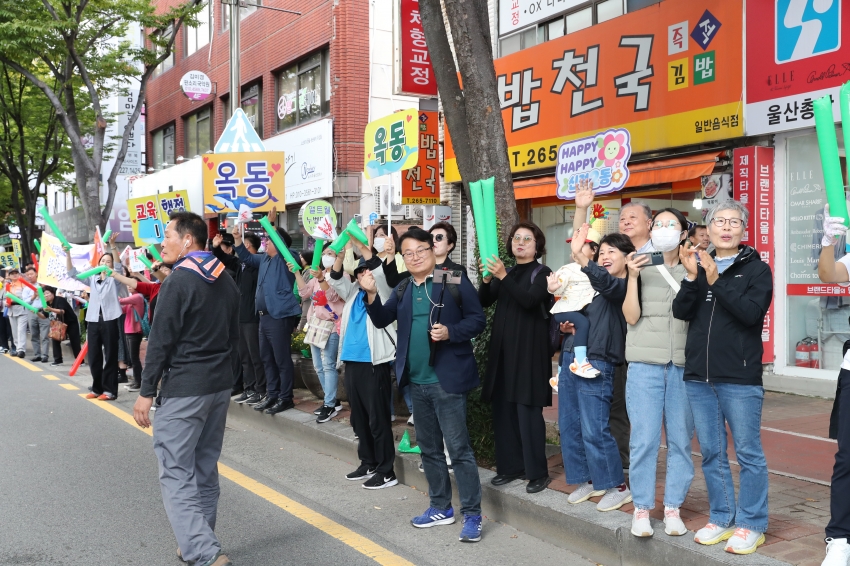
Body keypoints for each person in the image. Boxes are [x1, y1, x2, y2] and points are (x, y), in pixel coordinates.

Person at [364, 228, 486, 541]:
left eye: (422, 250)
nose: (416, 256)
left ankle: (472, 514)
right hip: (414, 380)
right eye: (409, 253)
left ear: (432, 251)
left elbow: (477, 319)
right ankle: (440, 507)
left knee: (458, 450)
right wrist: (372, 294)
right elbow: (381, 319)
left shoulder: (449, 278)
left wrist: (451, 332)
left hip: (446, 380)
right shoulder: (403, 286)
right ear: (403, 258)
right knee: (429, 450)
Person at [132, 211, 239, 566]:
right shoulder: (226, 279)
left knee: (176, 472)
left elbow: (160, 341)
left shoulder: (178, 281)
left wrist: (146, 392)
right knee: (204, 467)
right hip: (218, 387)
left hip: (185, 389)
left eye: (168, 236)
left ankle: (204, 552)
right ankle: (195, 542)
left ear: (188, 240)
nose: (163, 243)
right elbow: (234, 336)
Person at [672, 200, 773, 555]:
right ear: (709, 228)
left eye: (734, 222)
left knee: (748, 453)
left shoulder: (757, 270)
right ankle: (722, 516)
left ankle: (752, 523)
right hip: (699, 374)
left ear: (744, 230)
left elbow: (750, 314)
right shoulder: (698, 267)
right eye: (720, 221)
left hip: (740, 376)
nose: (726, 227)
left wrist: (715, 279)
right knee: (712, 452)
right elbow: (681, 311)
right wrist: (690, 278)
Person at [622, 208, 694, 538]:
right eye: (659, 223)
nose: (665, 229)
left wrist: (695, 275)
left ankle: (673, 508)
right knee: (644, 441)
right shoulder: (639, 264)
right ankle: (641, 509)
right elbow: (631, 317)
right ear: (652, 229)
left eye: (672, 224)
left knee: (680, 441)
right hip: (643, 366)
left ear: (683, 233)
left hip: (683, 365)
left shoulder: (695, 267)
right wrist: (632, 277)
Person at [558, 222, 635, 512]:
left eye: (610, 251)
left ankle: (617, 484)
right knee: (570, 424)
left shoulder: (624, 285)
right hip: (570, 357)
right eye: (601, 251)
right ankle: (589, 479)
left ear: (628, 256)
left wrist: (584, 258)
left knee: (595, 427)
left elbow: (606, 282)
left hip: (599, 360)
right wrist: (566, 326)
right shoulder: (590, 285)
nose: (603, 256)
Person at [478, 222, 553, 494]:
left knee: (527, 411)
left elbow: (531, 301)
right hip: (503, 352)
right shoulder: (505, 272)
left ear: (537, 246)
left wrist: (502, 277)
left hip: (530, 353)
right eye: (517, 238)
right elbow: (484, 301)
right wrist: (488, 279)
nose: (520, 242)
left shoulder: (542, 272)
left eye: (527, 239)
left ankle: (537, 472)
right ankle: (511, 467)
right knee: (504, 410)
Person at [326, 237, 398, 489]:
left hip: (374, 364)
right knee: (359, 418)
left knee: (378, 419)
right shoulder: (354, 292)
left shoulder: (384, 292)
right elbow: (334, 279)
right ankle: (367, 461)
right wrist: (340, 253)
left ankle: (386, 470)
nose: (365, 274)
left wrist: (367, 251)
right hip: (351, 362)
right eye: (360, 271)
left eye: (368, 270)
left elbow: (379, 270)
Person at [233, 212, 301, 415]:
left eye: (269, 239)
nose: (265, 243)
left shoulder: (287, 257)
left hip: (279, 315)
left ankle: (285, 397)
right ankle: (272, 394)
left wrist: (270, 224)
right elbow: (245, 256)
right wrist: (237, 239)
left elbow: (280, 246)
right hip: (263, 316)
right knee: (267, 358)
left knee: (281, 359)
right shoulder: (264, 260)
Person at [290, 243, 345, 423]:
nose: (326, 256)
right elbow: (304, 292)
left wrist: (322, 278)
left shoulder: (341, 277)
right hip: (315, 326)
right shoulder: (316, 277)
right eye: (325, 253)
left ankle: (329, 404)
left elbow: (333, 297)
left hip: (331, 325)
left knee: (328, 365)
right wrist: (297, 273)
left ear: (338, 257)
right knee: (318, 366)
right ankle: (331, 401)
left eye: (331, 253)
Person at [66, 233, 123, 401]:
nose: (105, 264)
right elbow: (72, 273)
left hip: (110, 318)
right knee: (94, 355)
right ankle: (97, 388)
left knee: (110, 354)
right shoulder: (92, 278)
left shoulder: (115, 279)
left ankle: (110, 391)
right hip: (93, 319)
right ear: (98, 264)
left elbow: (119, 267)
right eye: (102, 261)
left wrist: (112, 246)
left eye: (108, 262)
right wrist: (67, 253)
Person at [213, 232, 266, 406]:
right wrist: (215, 246)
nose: (237, 248)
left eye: (242, 244)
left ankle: (261, 389)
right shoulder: (239, 264)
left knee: (255, 355)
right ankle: (248, 387)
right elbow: (222, 257)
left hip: (252, 316)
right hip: (239, 316)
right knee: (244, 356)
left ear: (248, 247)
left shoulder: (260, 264)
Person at [546, 226, 602, 380]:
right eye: (573, 245)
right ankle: (581, 362)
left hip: (576, 310)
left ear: (594, 249)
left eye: (581, 244)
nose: (574, 249)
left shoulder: (598, 269)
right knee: (582, 324)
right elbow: (558, 283)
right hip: (564, 310)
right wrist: (553, 287)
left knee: (572, 337)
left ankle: (561, 374)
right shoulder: (569, 268)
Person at [37, 286, 82, 367]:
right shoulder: (46, 303)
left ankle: (80, 361)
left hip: (70, 322)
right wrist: (36, 312)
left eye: (47, 293)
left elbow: (62, 311)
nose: (46, 296)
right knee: (55, 340)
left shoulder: (59, 299)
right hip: (58, 324)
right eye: (44, 294)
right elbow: (44, 316)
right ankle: (58, 360)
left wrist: (51, 309)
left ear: (53, 293)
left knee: (74, 341)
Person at [118, 289, 145, 391]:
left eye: (131, 285)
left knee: (134, 358)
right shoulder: (132, 298)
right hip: (129, 330)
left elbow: (120, 301)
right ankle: (136, 381)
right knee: (133, 358)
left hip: (135, 330)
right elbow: (122, 310)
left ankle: (138, 382)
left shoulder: (137, 297)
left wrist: (113, 293)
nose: (129, 287)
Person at [24, 267, 50, 362]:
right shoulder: (26, 288)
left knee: (44, 335)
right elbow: (25, 302)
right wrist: (33, 296)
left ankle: (45, 355)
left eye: (31, 274)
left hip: (43, 311)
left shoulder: (43, 285)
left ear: (36, 274)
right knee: (34, 334)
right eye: (28, 275)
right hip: (32, 312)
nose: (30, 276)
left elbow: (50, 296)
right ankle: (37, 354)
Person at [5, 268, 29, 358]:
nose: (14, 275)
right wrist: (5, 303)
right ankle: (17, 347)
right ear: (9, 276)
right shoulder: (8, 286)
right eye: (12, 274)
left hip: (21, 308)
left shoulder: (23, 284)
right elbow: (4, 298)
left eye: (16, 273)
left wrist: (15, 297)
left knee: (21, 330)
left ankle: (21, 350)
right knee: (14, 331)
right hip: (11, 309)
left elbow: (26, 297)